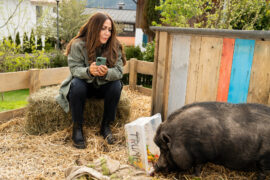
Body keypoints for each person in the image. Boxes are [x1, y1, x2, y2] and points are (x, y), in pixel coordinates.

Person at [56, 12, 126, 149]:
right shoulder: (77, 45)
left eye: (110, 30)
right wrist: (89, 71)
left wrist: (106, 73)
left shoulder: (114, 45)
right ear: (94, 28)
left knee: (116, 85)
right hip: (85, 86)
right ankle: (77, 128)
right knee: (76, 85)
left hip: (103, 87)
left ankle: (105, 126)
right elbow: (75, 69)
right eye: (103, 28)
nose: (107, 33)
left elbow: (119, 71)